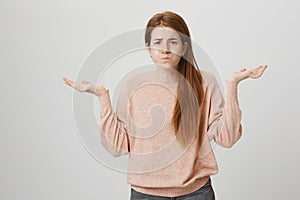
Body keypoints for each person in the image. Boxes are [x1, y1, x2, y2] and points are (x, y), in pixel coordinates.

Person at [63, 11, 268, 200]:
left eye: (173, 42)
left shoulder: (205, 83)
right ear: (148, 48)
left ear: (184, 47)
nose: (165, 50)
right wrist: (102, 97)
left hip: (196, 193)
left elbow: (227, 139)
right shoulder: (133, 85)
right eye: (158, 42)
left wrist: (232, 84)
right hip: (145, 194)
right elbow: (118, 148)